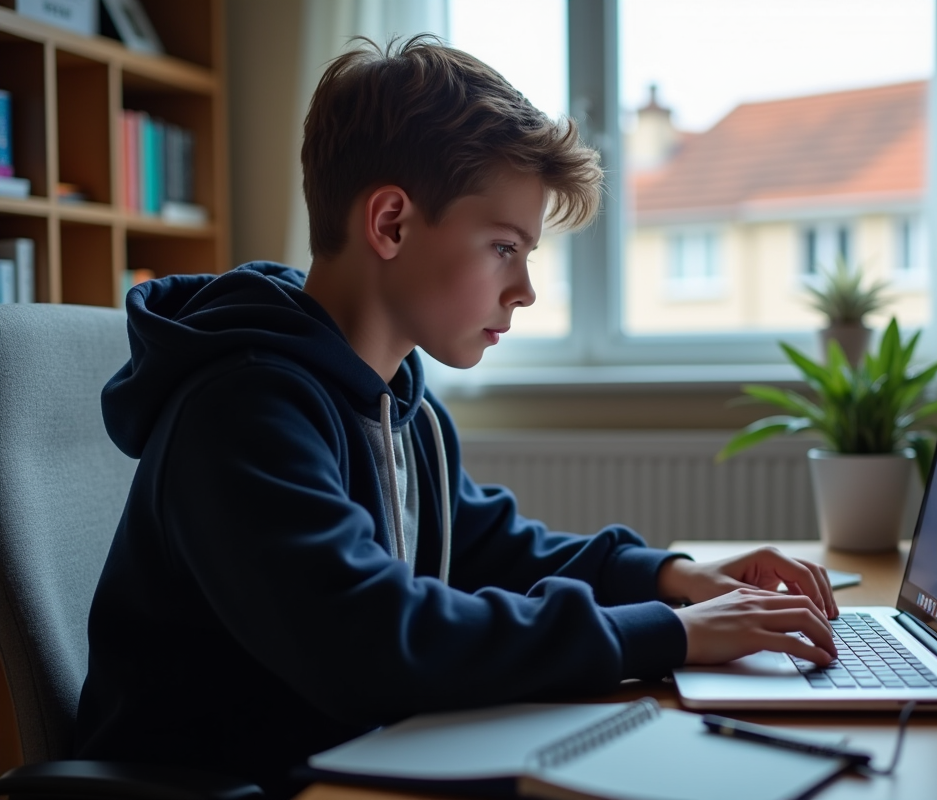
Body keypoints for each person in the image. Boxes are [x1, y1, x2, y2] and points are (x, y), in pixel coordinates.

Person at [74, 35, 838, 797]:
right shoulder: (242, 411)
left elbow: (490, 547)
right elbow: (375, 641)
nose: (526, 290)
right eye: (505, 247)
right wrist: (666, 634)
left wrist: (674, 578)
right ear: (392, 224)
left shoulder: (398, 395)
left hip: (358, 760)